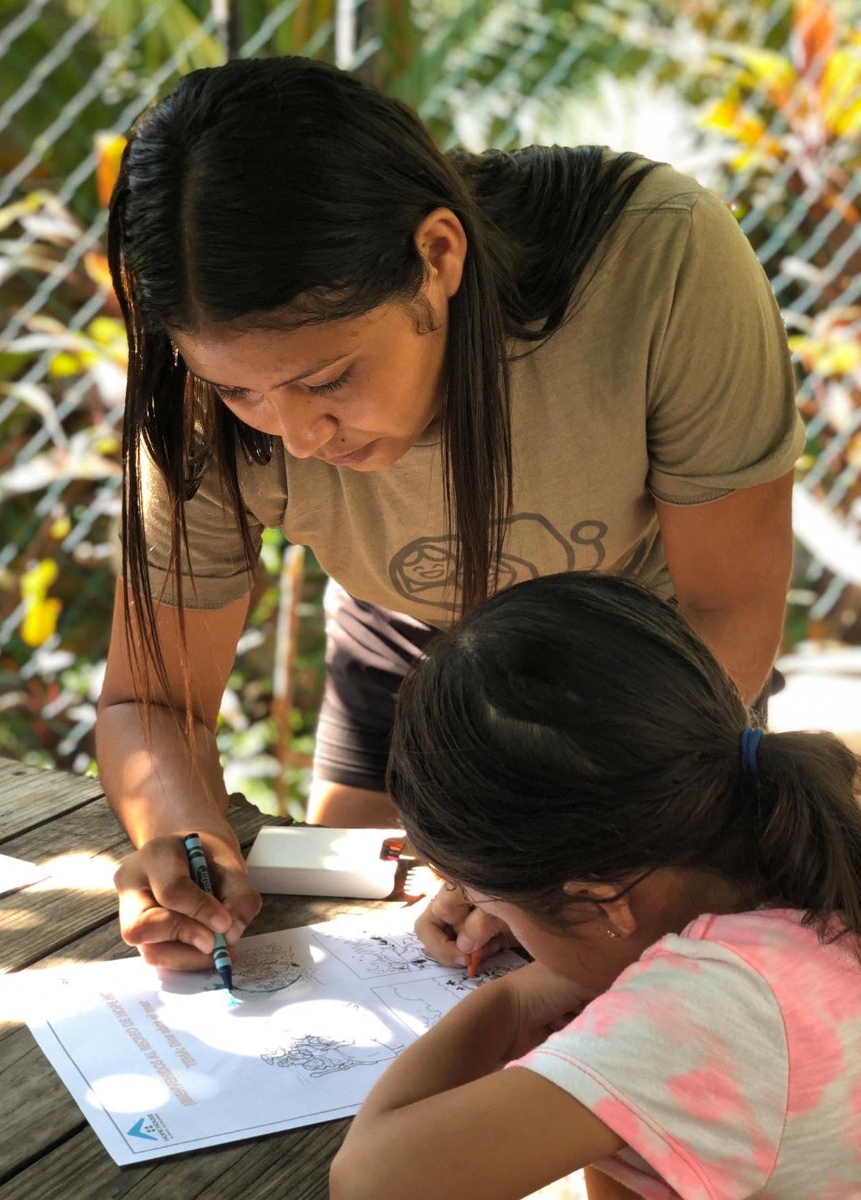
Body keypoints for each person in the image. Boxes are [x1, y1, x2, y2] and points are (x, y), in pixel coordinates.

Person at [96, 55, 803, 973]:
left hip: (648, 680)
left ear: (438, 257)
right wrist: (184, 838)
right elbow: (150, 698)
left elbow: (732, 610)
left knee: (612, 976)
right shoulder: (194, 401)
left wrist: (531, 864)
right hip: (410, 643)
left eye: (328, 379)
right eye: (240, 393)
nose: (297, 434)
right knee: (373, 951)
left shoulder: (658, 262)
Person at [330, 572, 861, 1200]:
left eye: (487, 903)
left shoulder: (709, 1006)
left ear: (599, 899)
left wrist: (514, 1000)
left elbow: (372, 1181)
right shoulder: (808, 855)